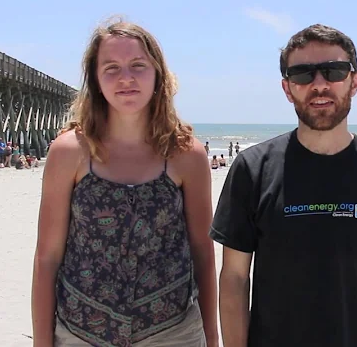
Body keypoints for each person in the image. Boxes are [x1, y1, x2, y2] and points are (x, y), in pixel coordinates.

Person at [210, 24, 357, 347]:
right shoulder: (252, 169)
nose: (320, 85)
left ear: (354, 82)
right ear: (287, 88)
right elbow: (234, 278)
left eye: (334, 71)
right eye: (303, 74)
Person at [30, 20, 218, 347]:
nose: (126, 78)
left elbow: (203, 254)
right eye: (111, 67)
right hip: (80, 333)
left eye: (138, 66)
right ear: (95, 78)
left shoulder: (187, 154)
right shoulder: (69, 151)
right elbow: (47, 258)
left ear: (158, 73)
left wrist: (212, 339)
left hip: (173, 333)